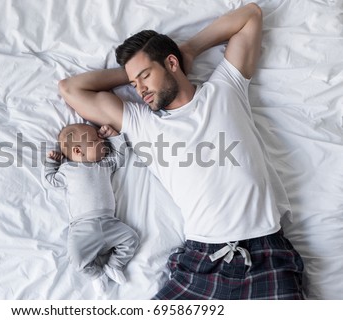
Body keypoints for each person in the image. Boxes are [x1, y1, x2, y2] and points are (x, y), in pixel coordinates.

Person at [58, 3, 304, 299]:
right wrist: (134, 72)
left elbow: (251, 15)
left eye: (145, 76)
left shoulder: (226, 88)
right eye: (134, 84)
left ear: (171, 63)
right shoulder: (141, 123)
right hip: (202, 262)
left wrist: (188, 49)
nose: (140, 89)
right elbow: (70, 89)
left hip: (266, 255)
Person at [43, 123, 140, 296]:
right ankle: (96, 275)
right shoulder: (67, 170)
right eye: (96, 140)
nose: (102, 141)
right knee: (77, 259)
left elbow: (120, 155)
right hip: (83, 227)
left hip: (110, 223)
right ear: (78, 151)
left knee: (131, 238)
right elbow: (50, 180)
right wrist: (52, 162)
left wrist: (113, 135)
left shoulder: (104, 164)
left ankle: (114, 265)